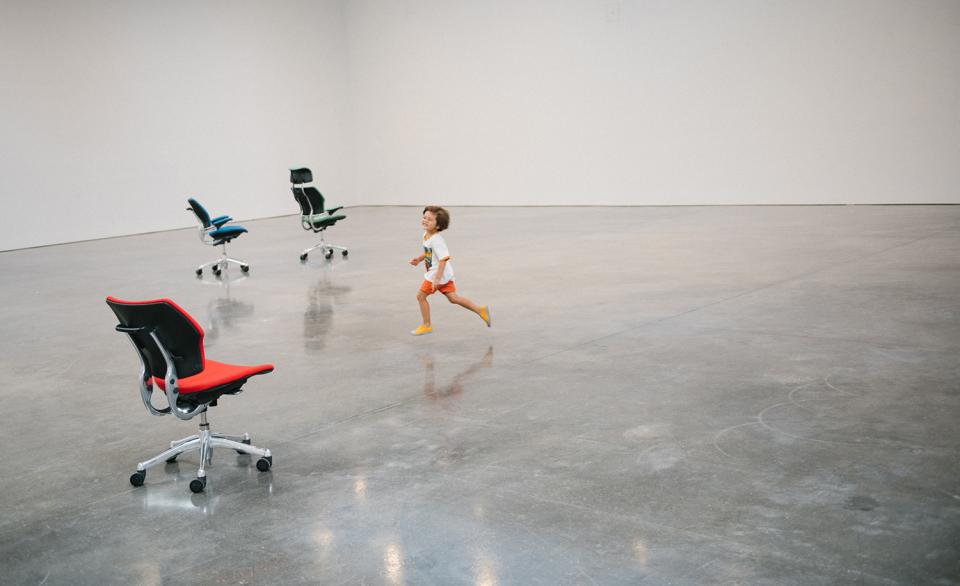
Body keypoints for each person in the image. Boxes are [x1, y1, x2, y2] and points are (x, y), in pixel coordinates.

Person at [409, 206, 490, 336]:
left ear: (438, 226)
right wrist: (419, 259)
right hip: (444, 275)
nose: (425, 220)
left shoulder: (437, 240)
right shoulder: (426, 235)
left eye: (429, 219)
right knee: (453, 298)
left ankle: (426, 325)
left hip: (436, 275)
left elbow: (443, 259)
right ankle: (481, 311)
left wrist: (437, 279)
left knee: (420, 296)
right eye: (424, 217)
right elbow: (429, 252)